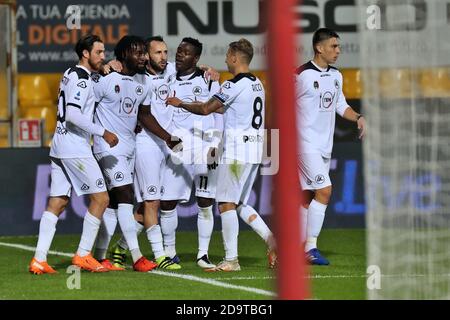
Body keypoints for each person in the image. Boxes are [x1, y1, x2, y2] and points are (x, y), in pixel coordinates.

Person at [166, 38, 269, 271]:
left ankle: (231, 260)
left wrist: (180, 103)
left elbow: (205, 109)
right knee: (239, 203)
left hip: (236, 152)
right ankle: (272, 241)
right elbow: (224, 107)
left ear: (234, 57)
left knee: (225, 204)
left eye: (227, 55)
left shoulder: (232, 85)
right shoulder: (257, 84)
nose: (224, 59)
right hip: (254, 150)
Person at [29, 34, 119, 274]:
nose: (103, 56)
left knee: (58, 201)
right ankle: (83, 255)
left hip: (59, 144)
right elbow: (73, 115)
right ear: (85, 54)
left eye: (104, 52)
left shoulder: (71, 73)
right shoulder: (82, 81)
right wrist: (103, 132)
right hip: (74, 146)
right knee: (102, 199)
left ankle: (39, 259)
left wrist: (107, 68)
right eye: (99, 52)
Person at [92, 35, 179, 272]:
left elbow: (145, 114)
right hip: (108, 148)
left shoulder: (144, 83)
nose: (142, 57)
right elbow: (86, 105)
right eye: (137, 53)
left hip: (129, 147)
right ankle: (137, 256)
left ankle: (99, 256)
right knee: (126, 196)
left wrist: (166, 137)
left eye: (143, 52)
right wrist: (96, 132)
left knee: (111, 204)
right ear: (122, 55)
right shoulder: (106, 78)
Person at [295, 28, 366, 265]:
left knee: (307, 196)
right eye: (334, 46)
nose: (338, 51)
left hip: (324, 145)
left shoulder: (336, 75)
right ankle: (310, 247)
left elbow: (340, 105)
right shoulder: (300, 75)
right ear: (319, 47)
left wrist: (358, 117)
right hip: (304, 143)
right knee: (324, 190)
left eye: (338, 46)